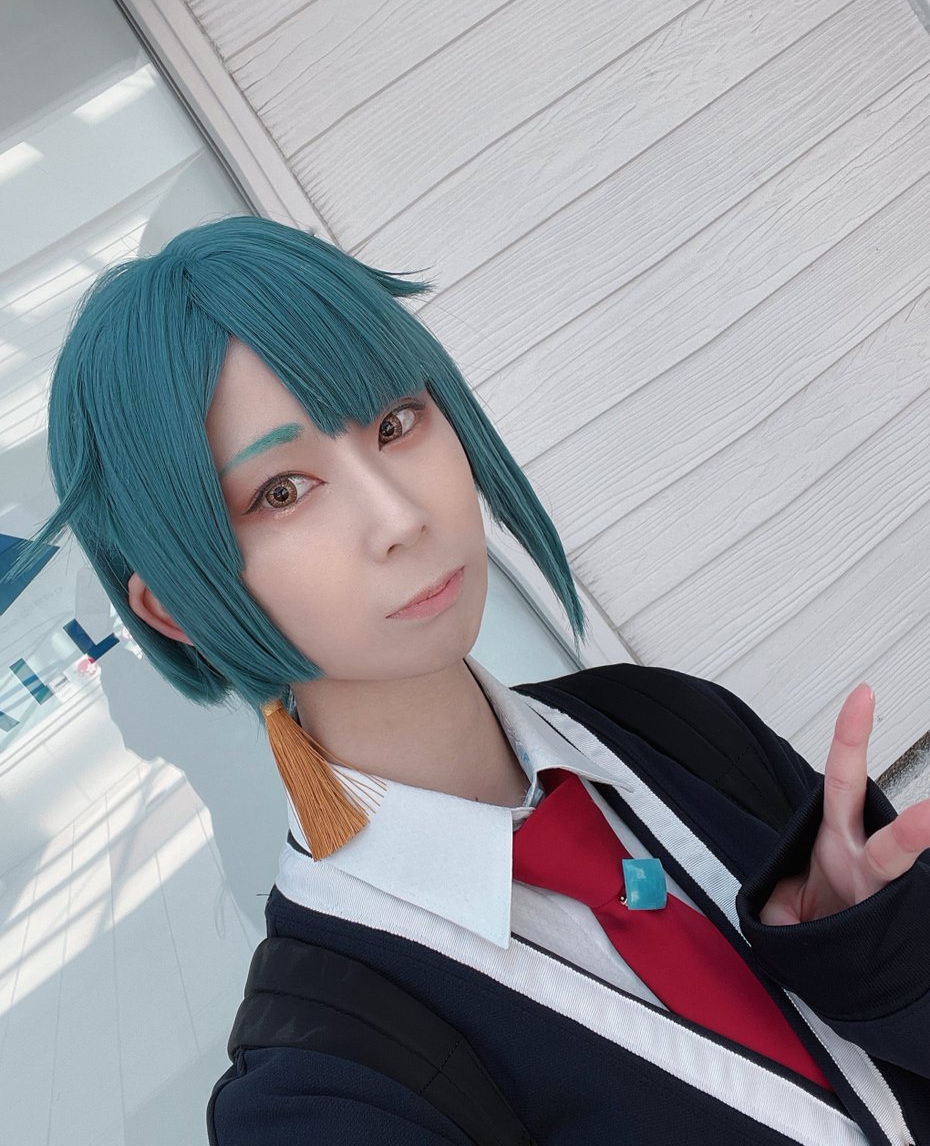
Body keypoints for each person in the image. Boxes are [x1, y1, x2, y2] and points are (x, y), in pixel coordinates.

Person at [10, 216, 929, 1144]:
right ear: (175, 606)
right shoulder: (318, 1095)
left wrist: (884, 969)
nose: (400, 517)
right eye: (281, 491)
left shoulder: (671, 723)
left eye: (395, 422)